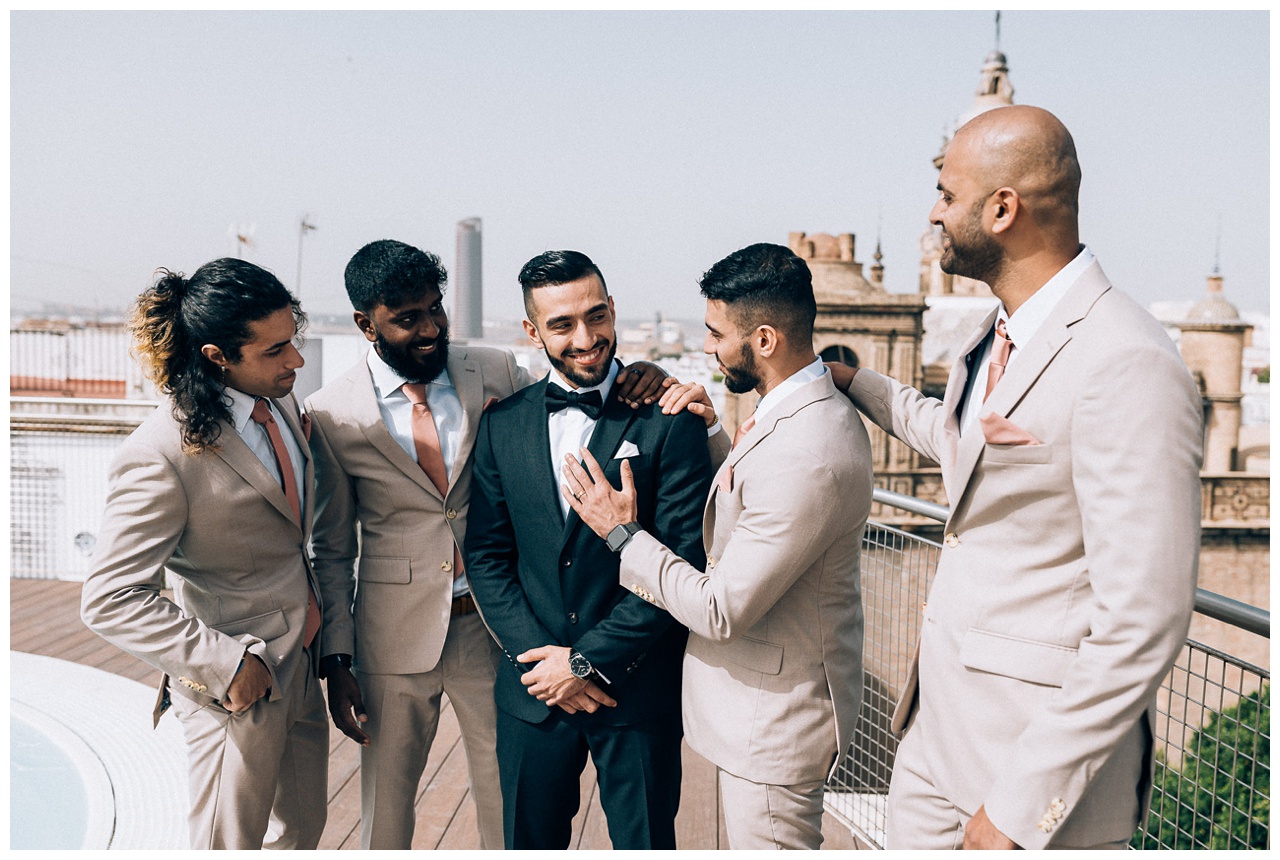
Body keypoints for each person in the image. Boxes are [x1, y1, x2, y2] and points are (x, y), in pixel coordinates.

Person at [830, 105, 1204, 849]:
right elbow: (962, 440)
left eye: (946, 192)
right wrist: (855, 381)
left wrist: (1021, 804)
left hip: (1024, 767)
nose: (934, 212)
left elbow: (1146, 617)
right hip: (934, 738)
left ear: (1003, 209)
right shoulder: (994, 334)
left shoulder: (1126, 360)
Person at [306, 240, 671, 849]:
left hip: (491, 630)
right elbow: (334, 547)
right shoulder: (332, 413)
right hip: (389, 638)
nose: (430, 329)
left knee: (505, 808)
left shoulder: (495, 369)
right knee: (385, 814)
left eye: (435, 310)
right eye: (408, 319)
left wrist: (648, 375)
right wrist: (337, 660)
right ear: (365, 325)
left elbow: (578, 385)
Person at [566, 242, 872, 850]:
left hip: (776, 728)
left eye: (714, 332)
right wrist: (711, 433)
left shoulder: (811, 449)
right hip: (754, 712)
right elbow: (755, 500)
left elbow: (720, 609)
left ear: (763, 340)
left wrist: (620, 533)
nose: (706, 346)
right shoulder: (789, 408)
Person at [464, 249, 714, 849]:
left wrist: (587, 661)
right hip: (534, 694)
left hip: (637, 688)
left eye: (596, 316)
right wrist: (543, 663)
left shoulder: (669, 418)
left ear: (612, 310)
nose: (586, 337)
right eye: (561, 325)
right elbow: (488, 557)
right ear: (532, 332)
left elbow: (684, 560)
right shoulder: (501, 425)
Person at [81, 259, 328, 849]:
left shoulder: (282, 404)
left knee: (301, 837)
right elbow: (109, 599)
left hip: (303, 668)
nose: (294, 361)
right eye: (275, 351)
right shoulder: (160, 453)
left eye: (293, 341)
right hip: (235, 689)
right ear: (218, 356)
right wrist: (228, 665)